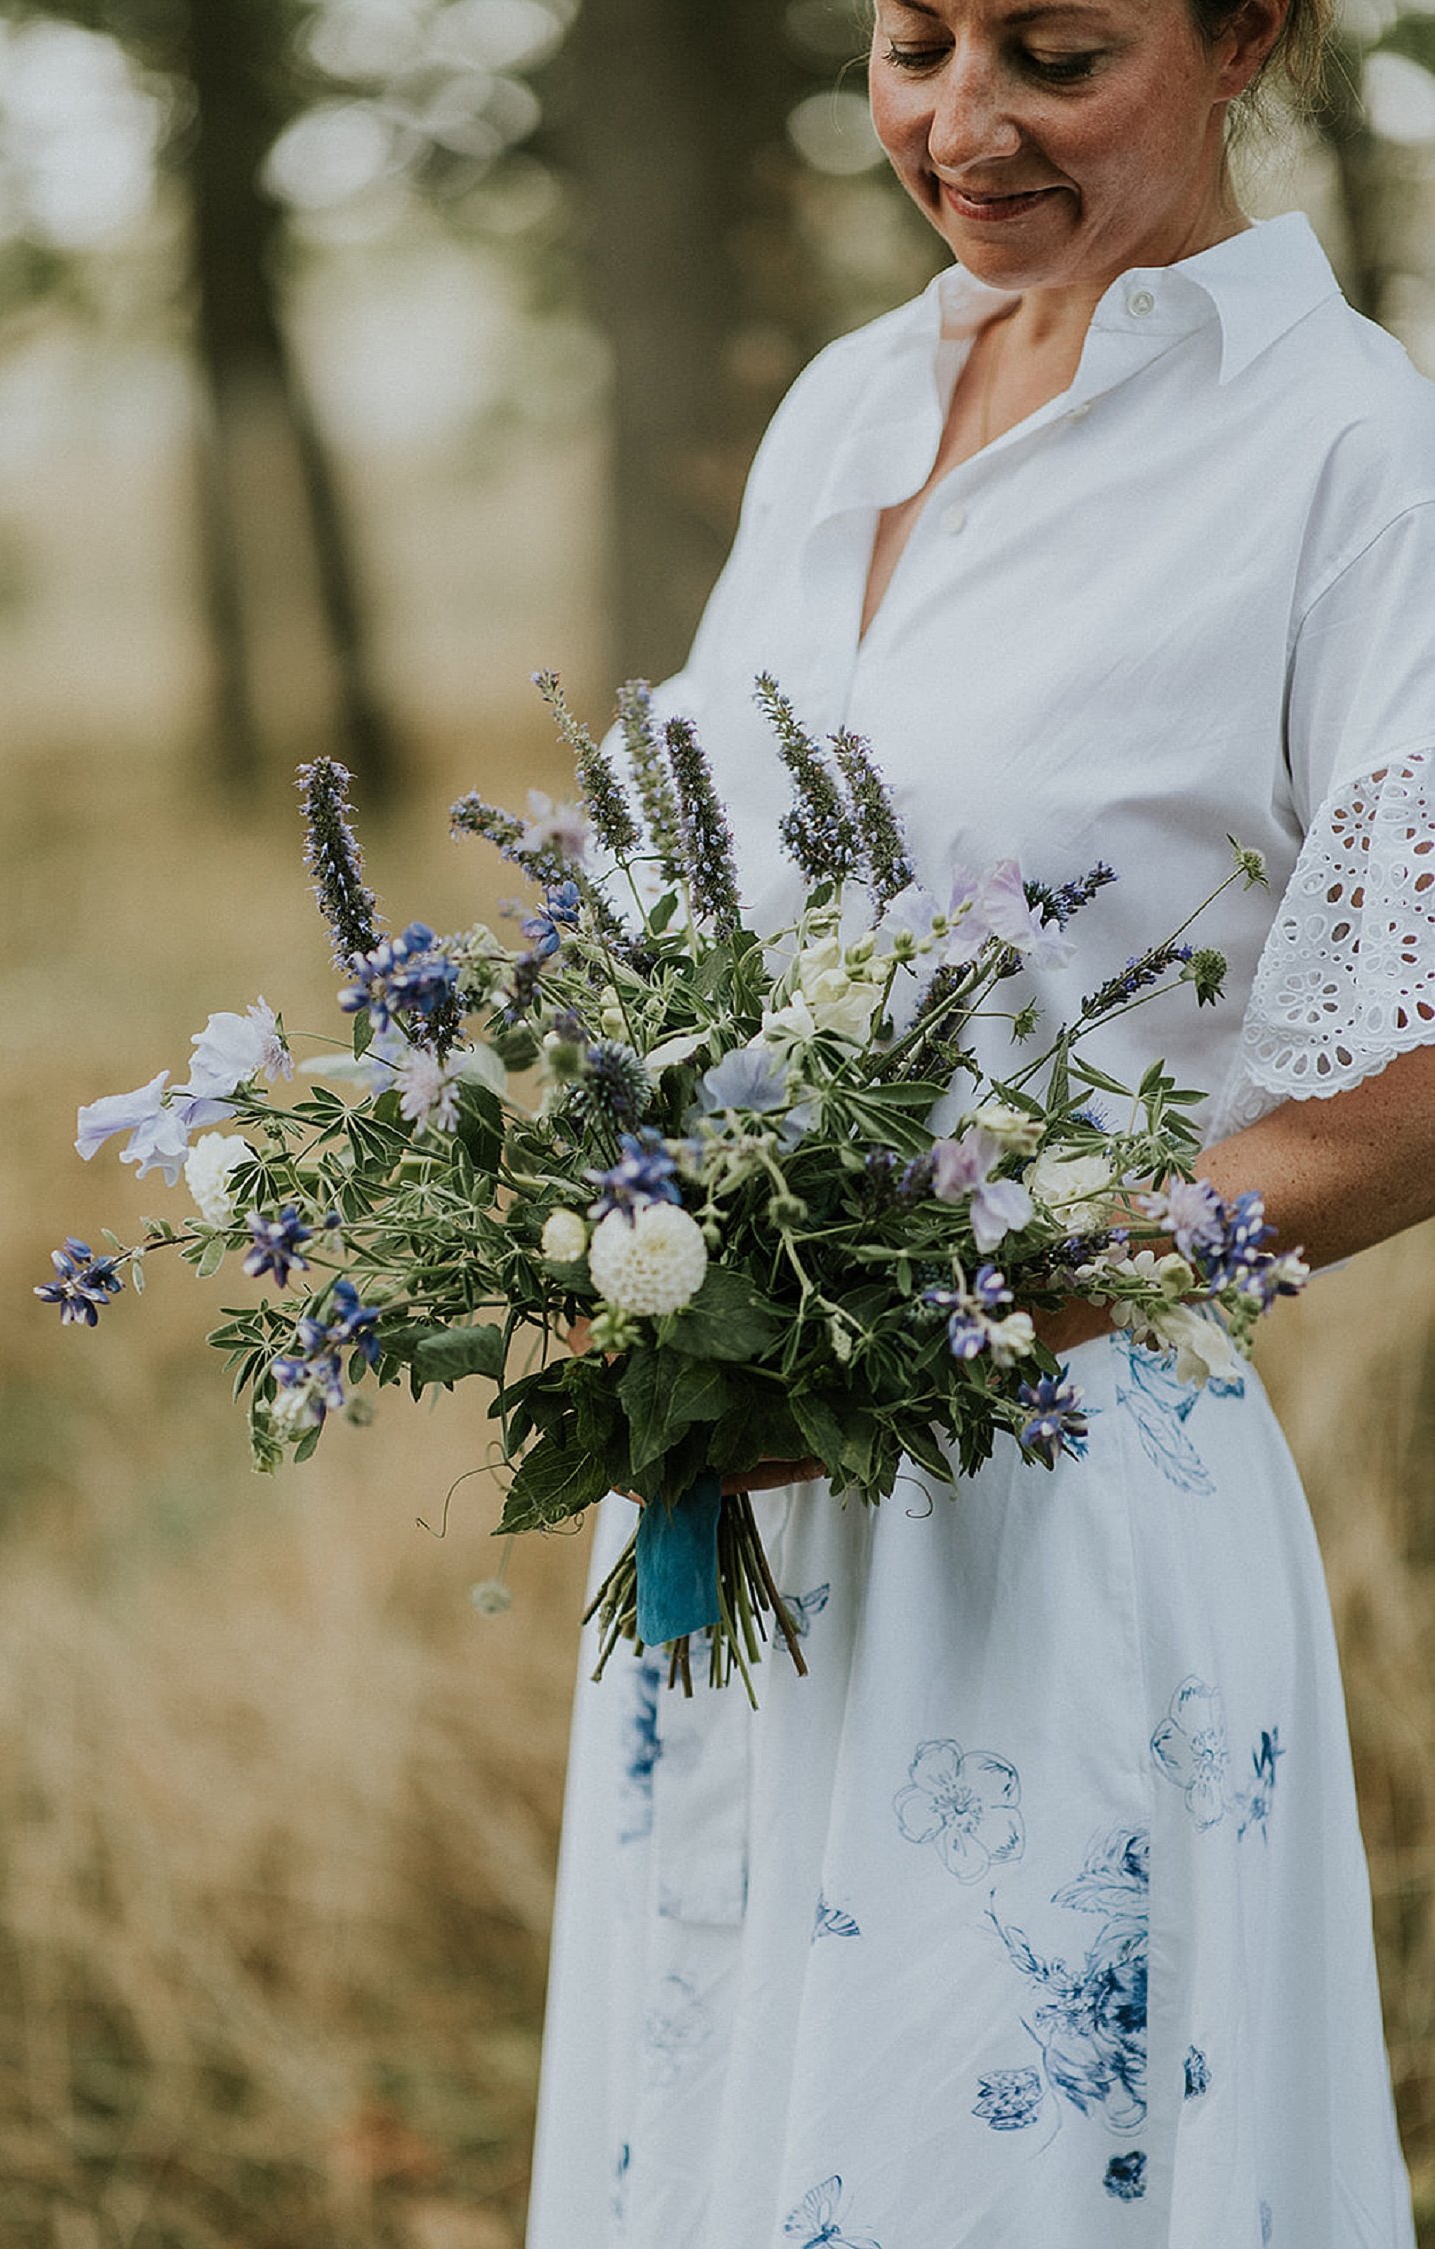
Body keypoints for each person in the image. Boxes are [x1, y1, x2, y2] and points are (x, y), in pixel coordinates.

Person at [525, 0, 1434, 2240]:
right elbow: (683, 928)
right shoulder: (852, 403)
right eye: (916, 39)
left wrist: (946, 1322)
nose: (961, 122)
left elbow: (1416, 1087)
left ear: (1246, 37)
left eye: (1051, 48)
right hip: (735, 1507)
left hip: (1061, 1497)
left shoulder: (1352, 452)